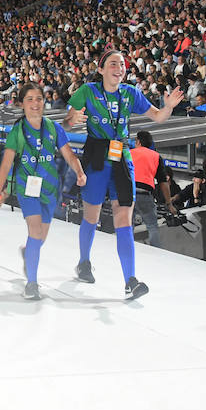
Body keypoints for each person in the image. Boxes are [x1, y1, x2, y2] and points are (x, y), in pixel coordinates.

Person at [66, 49, 183, 299]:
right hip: (96, 157)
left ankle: (130, 280)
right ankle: (83, 262)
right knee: (91, 216)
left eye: (122, 64)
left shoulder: (130, 93)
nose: (119, 68)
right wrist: (72, 119)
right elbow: (67, 123)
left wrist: (169, 106)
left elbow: (159, 117)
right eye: (113, 64)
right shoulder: (87, 91)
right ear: (101, 69)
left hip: (122, 159)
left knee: (123, 220)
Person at [0, 82, 87, 299]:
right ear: (22, 104)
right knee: (35, 231)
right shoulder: (18, 131)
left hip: (50, 190)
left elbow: (69, 154)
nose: (35, 103)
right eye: (30, 99)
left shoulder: (53, 128)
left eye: (39, 98)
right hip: (27, 190)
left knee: (40, 237)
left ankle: (28, 252)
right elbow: (6, 164)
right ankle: (31, 283)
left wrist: (80, 173)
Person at [130, 129, 174, 249]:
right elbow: (163, 182)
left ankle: (127, 249)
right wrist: (169, 203)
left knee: (128, 225)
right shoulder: (156, 157)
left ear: (138, 141)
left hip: (129, 193)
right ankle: (156, 251)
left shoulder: (129, 153)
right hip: (145, 193)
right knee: (152, 226)